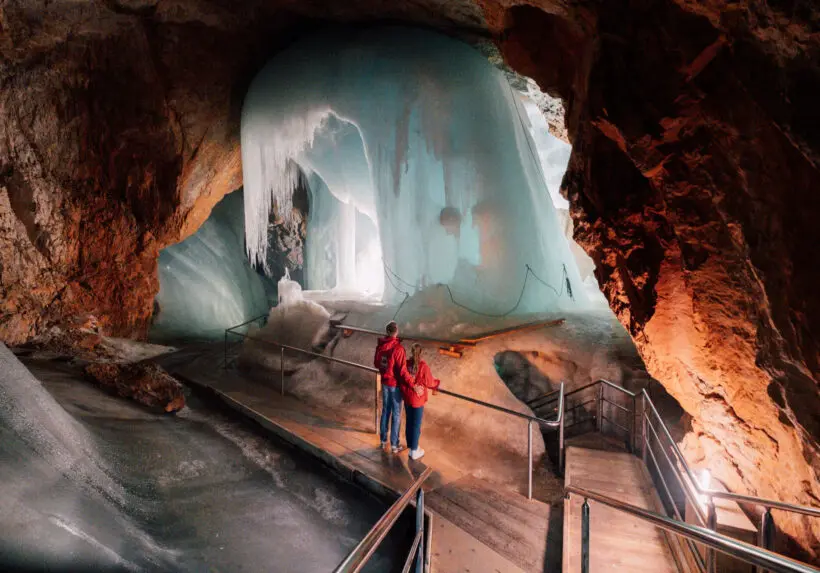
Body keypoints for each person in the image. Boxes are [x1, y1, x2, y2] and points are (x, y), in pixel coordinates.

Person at [374, 321, 414, 453]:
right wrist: (412, 384)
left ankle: (383, 441)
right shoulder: (398, 349)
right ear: (397, 332)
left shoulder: (380, 346)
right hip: (395, 385)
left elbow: (376, 363)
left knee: (386, 411)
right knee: (396, 414)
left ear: (387, 332)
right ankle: (394, 445)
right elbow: (402, 371)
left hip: (385, 383)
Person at [401, 343, 440, 461]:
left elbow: (403, 376)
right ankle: (414, 450)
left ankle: (411, 446)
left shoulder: (406, 364)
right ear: (421, 353)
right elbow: (430, 382)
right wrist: (437, 382)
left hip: (407, 397)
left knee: (409, 421)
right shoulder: (423, 366)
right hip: (417, 399)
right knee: (416, 424)